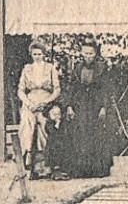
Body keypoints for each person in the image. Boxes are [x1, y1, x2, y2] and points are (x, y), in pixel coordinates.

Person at [63, 41, 115, 179]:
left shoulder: (101, 68)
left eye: (91, 53)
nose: (88, 56)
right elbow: (72, 88)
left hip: (95, 104)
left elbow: (106, 89)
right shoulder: (77, 67)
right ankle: (82, 169)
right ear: (82, 53)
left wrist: (104, 107)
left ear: (95, 54)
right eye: (86, 53)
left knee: (96, 135)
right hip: (80, 104)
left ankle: (98, 169)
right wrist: (69, 106)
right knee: (81, 135)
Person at [16, 39, 60, 175]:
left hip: (45, 103)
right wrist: (28, 103)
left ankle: (45, 166)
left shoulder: (50, 68)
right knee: (27, 125)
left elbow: (57, 89)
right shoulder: (27, 69)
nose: (37, 56)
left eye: (39, 54)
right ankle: (29, 158)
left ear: (44, 54)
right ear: (31, 54)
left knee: (44, 128)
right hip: (30, 103)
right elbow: (20, 90)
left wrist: (46, 102)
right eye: (34, 54)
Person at [40, 102, 72, 179]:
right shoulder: (49, 123)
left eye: (59, 114)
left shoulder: (62, 123)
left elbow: (65, 131)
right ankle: (55, 171)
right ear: (49, 115)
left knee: (64, 153)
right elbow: (52, 132)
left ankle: (63, 170)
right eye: (54, 114)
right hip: (53, 144)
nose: (57, 116)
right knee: (54, 155)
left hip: (62, 143)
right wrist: (57, 124)